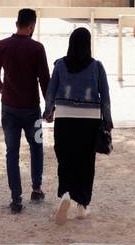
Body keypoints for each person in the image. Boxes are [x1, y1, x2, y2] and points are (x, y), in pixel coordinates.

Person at [43, 27, 112, 224]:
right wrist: (107, 121)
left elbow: (50, 91)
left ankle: (65, 193)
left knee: (65, 159)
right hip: (89, 121)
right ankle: (82, 205)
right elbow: (105, 97)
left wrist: (49, 112)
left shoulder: (60, 66)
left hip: (65, 118)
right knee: (85, 162)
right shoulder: (97, 67)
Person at [0, 8, 50, 214]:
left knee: (11, 153)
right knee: (36, 147)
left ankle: (16, 199)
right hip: (31, 109)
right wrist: (49, 108)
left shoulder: (1, 46)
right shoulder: (37, 48)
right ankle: (36, 188)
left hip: (9, 108)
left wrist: (3, 89)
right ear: (32, 25)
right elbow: (45, 81)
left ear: (17, 23)